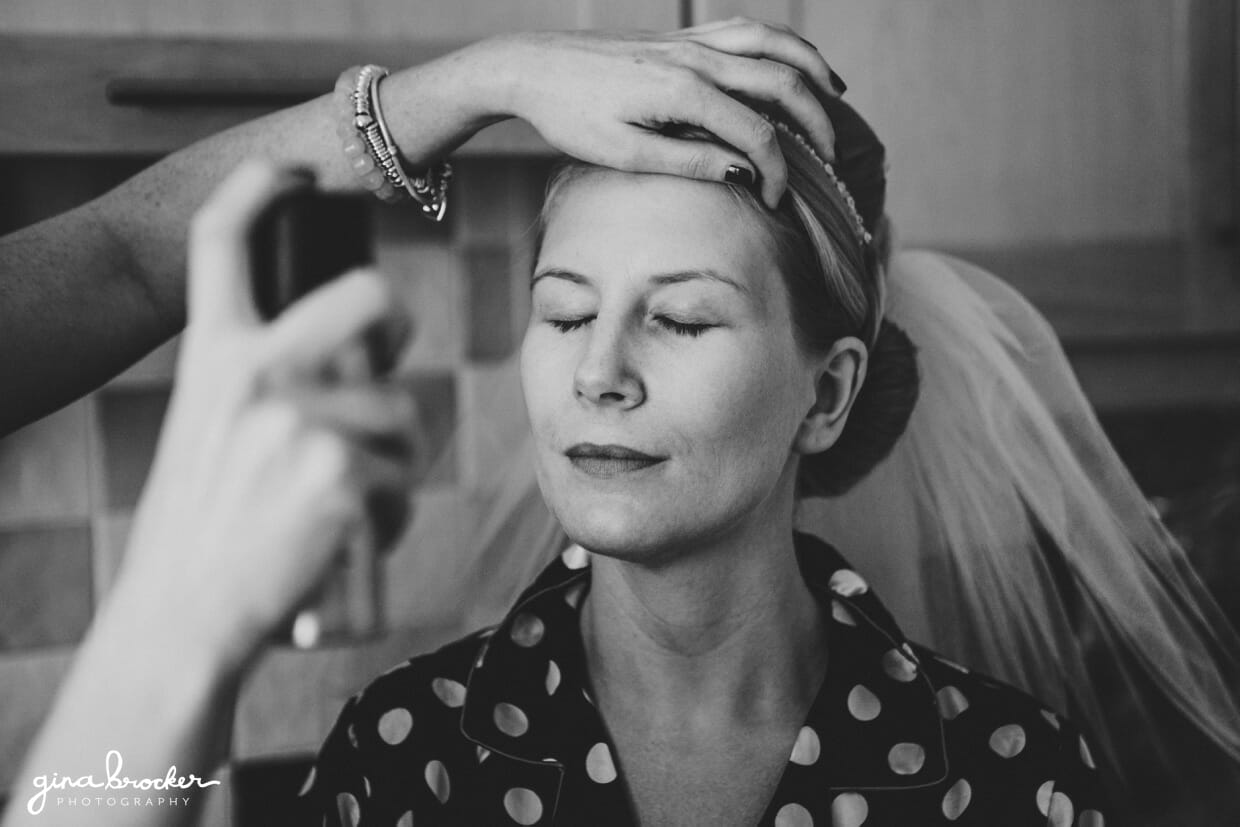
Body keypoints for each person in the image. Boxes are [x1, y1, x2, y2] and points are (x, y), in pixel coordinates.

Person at [0, 19, 849, 827]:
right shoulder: (397, 758)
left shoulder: (980, 762)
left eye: (683, 319)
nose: (598, 374)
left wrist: (485, 76)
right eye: (563, 314)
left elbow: (122, 258)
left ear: (827, 393)